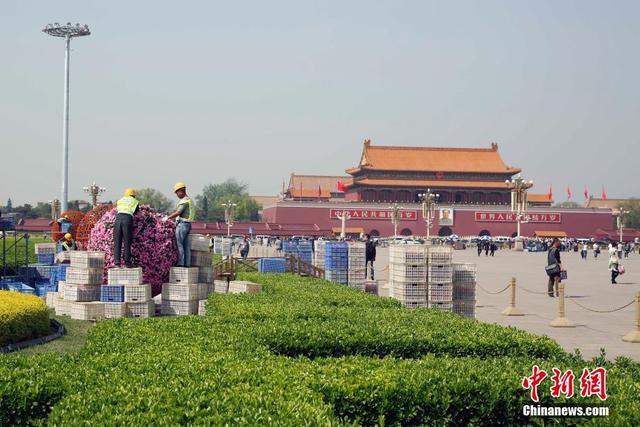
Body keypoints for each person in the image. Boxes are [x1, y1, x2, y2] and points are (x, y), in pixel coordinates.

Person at [166, 182, 196, 267]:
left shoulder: (184, 201)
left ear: (181, 191)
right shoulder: (190, 200)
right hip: (188, 225)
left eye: (177, 192)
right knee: (186, 246)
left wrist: (167, 218)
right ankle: (187, 264)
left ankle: (180, 264)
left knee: (179, 244)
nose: (176, 195)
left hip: (182, 225)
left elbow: (178, 212)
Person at [114, 188, 139, 268]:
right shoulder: (135, 201)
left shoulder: (120, 200)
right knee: (127, 242)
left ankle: (117, 263)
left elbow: (118, 210)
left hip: (118, 219)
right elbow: (136, 211)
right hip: (127, 220)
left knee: (117, 241)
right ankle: (127, 263)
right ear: (133, 195)